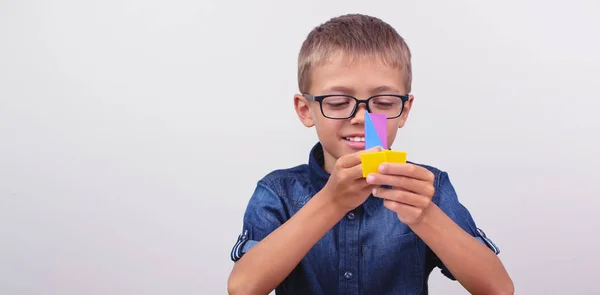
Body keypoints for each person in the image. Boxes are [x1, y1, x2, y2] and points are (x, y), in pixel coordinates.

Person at [227, 13, 513, 295]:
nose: (363, 118)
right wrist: (332, 202)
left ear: (404, 110)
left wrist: (424, 215)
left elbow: (498, 288)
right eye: (338, 102)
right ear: (305, 110)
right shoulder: (278, 193)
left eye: (384, 102)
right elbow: (243, 288)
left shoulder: (428, 188)